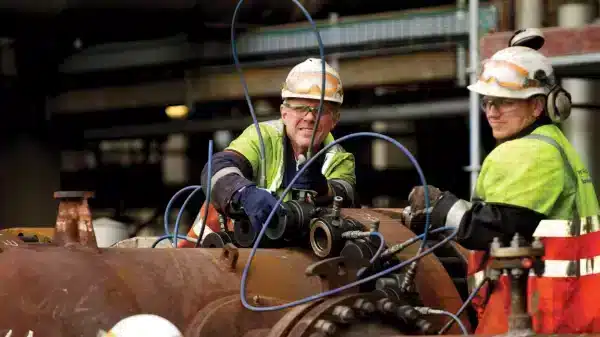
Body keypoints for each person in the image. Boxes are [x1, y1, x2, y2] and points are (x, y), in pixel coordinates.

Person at [406, 29, 600, 334]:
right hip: (561, 306)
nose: (492, 113)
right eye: (487, 102)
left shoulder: (533, 151)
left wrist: (441, 208)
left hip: (535, 310)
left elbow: (496, 227)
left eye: (505, 102)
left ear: (538, 106)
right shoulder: (552, 145)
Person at [179, 58, 357, 247]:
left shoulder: (339, 158)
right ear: (284, 113)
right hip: (225, 248)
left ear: (335, 119)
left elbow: (346, 197)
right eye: (300, 108)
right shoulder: (261, 137)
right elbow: (217, 168)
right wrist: (244, 193)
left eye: (321, 110)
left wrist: (323, 189)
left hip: (297, 254)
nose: (309, 117)